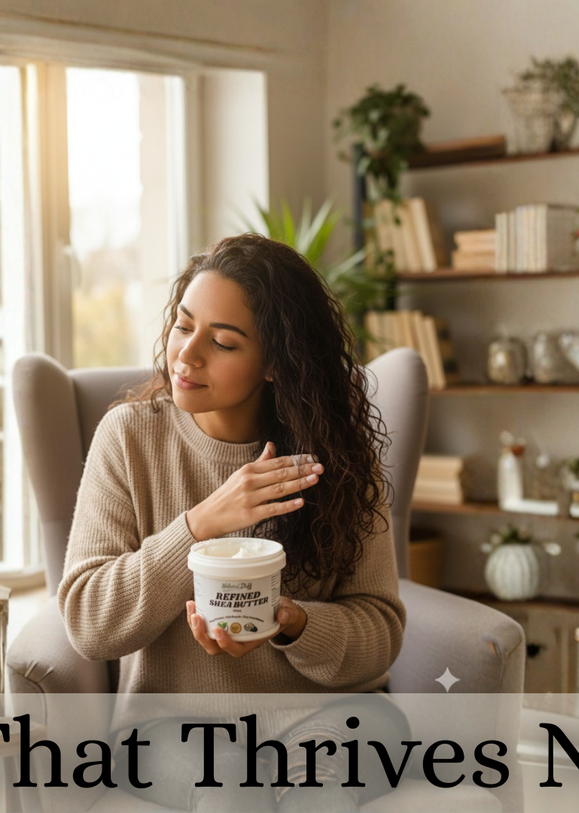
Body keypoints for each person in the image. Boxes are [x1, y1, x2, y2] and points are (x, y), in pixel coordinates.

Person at [57, 233, 410, 811]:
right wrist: (200, 523)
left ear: (275, 364)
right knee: (231, 794)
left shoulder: (339, 460)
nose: (187, 354)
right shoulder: (128, 439)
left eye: (221, 342)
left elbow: (380, 634)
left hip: (333, 716)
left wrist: (292, 624)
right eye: (182, 325)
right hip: (173, 728)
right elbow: (90, 623)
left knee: (318, 796)